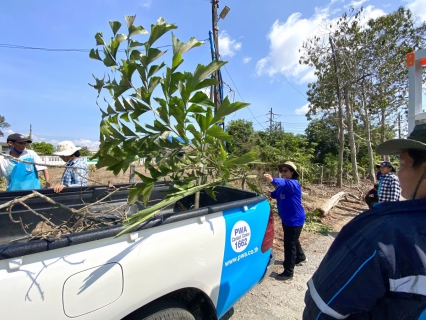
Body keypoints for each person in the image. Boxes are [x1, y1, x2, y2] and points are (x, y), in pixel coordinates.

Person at [303, 123, 426, 319]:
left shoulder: (384, 236)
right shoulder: (383, 181)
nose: (398, 172)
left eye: (402, 164)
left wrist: (389, 213)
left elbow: (322, 309)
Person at [263, 161, 306, 281]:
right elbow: (275, 194)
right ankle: (300, 257)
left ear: (292, 172)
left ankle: (288, 272)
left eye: (286, 171)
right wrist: (268, 194)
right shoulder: (283, 187)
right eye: (282, 171)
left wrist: (272, 179)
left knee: (289, 244)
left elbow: (283, 182)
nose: (283, 173)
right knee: (292, 239)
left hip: (295, 219)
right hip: (287, 218)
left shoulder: (293, 184)